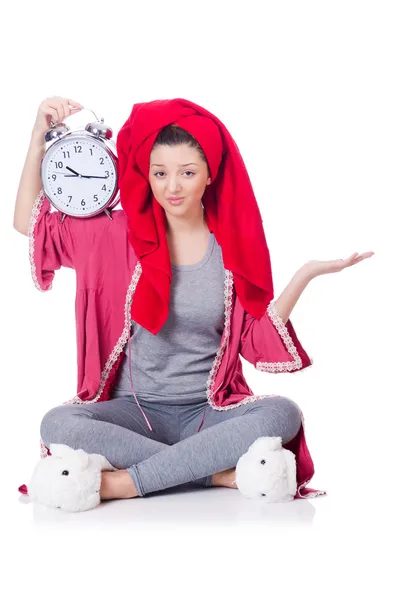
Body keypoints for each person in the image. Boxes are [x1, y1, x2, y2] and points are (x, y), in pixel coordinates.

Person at [14, 96, 374, 503]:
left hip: (208, 412)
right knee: (60, 423)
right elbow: (27, 221)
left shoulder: (231, 250)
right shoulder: (114, 235)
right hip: (133, 414)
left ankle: (129, 482)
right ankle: (213, 475)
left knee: (282, 414)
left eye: (187, 172)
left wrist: (304, 275)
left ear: (208, 175)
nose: (172, 186)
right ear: (146, 175)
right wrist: (37, 137)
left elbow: (252, 339)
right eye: (160, 173)